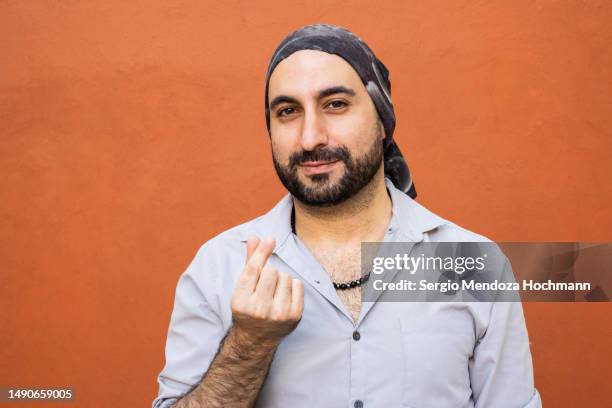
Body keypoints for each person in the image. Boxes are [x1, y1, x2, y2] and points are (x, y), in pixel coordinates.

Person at [153, 24, 542, 408]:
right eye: (288, 111)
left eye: (335, 104)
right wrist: (248, 344)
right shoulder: (218, 267)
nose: (310, 138)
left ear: (383, 121)